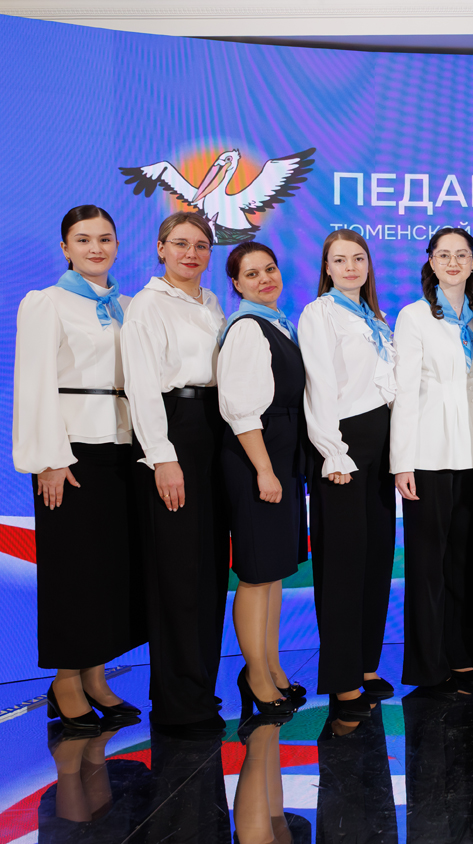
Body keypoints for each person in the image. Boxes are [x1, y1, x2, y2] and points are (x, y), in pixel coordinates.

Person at [13, 205, 143, 735]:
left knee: (109, 571)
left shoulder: (127, 306)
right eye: (84, 239)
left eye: (105, 238)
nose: (96, 248)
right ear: (65, 247)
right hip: (69, 452)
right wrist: (49, 456)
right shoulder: (46, 303)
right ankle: (65, 681)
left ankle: (95, 676)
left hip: (122, 447)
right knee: (72, 570)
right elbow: (33, 382)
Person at [121, 211, 229, 736]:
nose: (191, 253)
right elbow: (142, 387)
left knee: (207, 570)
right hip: (174, 433)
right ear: (161, 248)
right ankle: (176, 702)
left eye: (201, 245)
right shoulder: (147, 305)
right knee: (177, 572)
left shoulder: (211, 303)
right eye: (181, 243)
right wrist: (162, 457)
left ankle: (199, 689)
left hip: (213, 431)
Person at [299, 230, 397, 720]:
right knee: (341, 564)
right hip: (343, 446)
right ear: (327, 267)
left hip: (382, 444)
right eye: (340, 260)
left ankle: (366, 665)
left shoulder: (375, 317)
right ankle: (342, 681)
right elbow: (318, 386)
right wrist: (333, 453)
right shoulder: (319, 314)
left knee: (376, 556)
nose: (351, 267)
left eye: (358, 258)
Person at [393, 226, 473, 694]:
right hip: (429, 455)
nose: (453, 262)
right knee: (427, 566)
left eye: (462, 254)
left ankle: (463, 657)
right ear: (431, 262)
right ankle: (428, 666)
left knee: (467, 563)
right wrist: (402, 461)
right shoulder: (414, 316)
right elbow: (405, 391)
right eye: (444, 254)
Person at [217, 242, 306, 719]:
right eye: (251, 274)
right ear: (236, 284)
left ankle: (271, 665)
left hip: (281, 456)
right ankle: (254, 675)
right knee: (255, 574)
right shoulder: (247, 329)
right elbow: (239, 409)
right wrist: (265, 470)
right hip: (257, 458)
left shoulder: (277, 323)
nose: (264, 278)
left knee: (273, 571)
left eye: (269, 269)